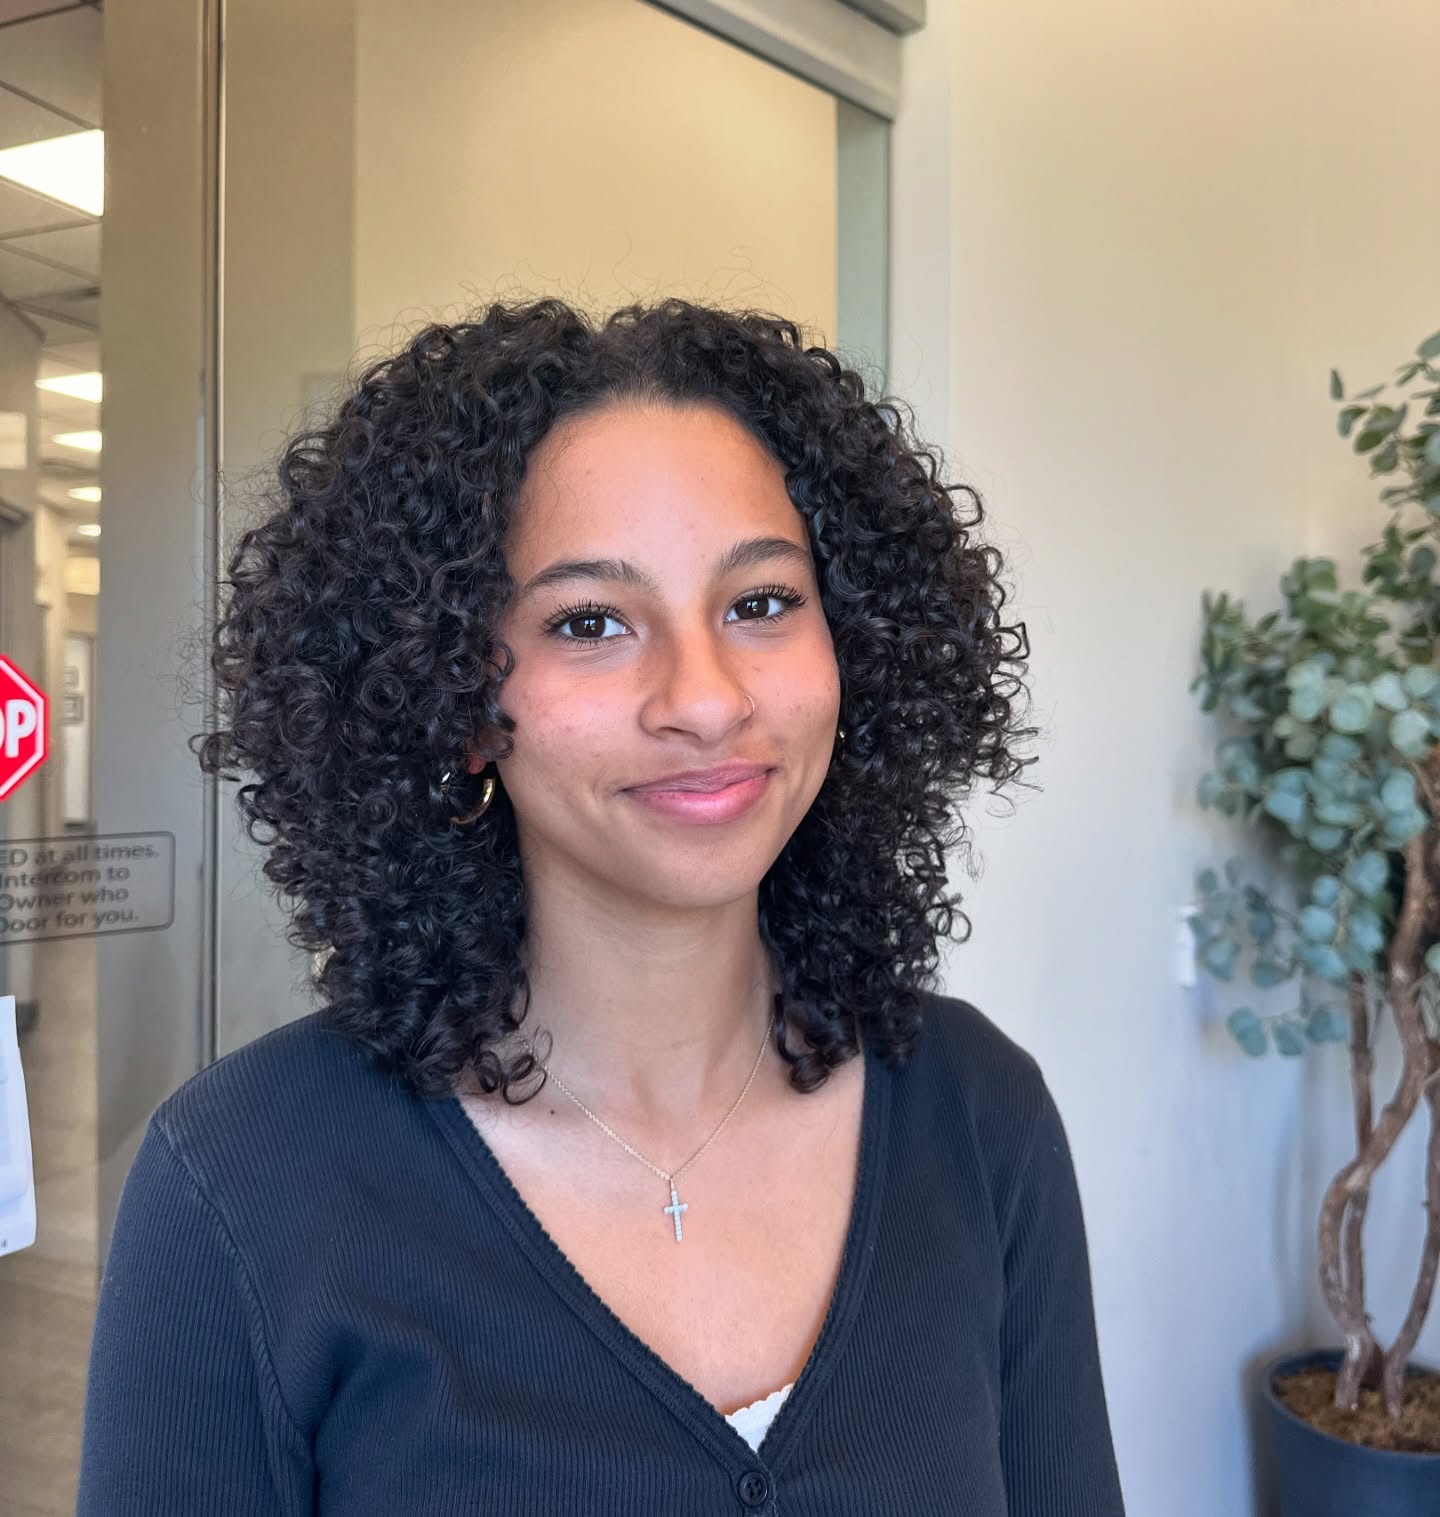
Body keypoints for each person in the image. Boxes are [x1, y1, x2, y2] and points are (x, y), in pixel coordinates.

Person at [74, 297, 1126, 1514]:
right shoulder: (242, 1179)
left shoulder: (978, 1113)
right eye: (589, 622)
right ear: (454, 699)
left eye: (762, 601)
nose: (706, 697)